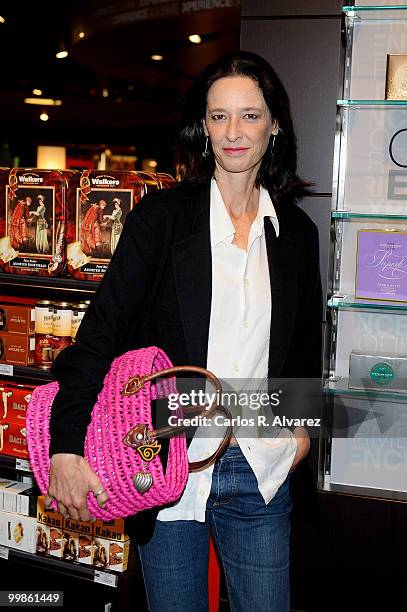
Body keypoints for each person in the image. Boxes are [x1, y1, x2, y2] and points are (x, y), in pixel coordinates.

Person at [45, 50, 322, 612]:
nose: (233, 132)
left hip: (260, 465)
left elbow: (301, 350)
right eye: (219, 117)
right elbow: (100, 334)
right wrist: (66, 446)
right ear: (203, 128)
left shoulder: (297, 232)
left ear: (275, 125)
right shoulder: (162, 219)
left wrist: (300, 432)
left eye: (249, 115)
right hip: (164, 460)